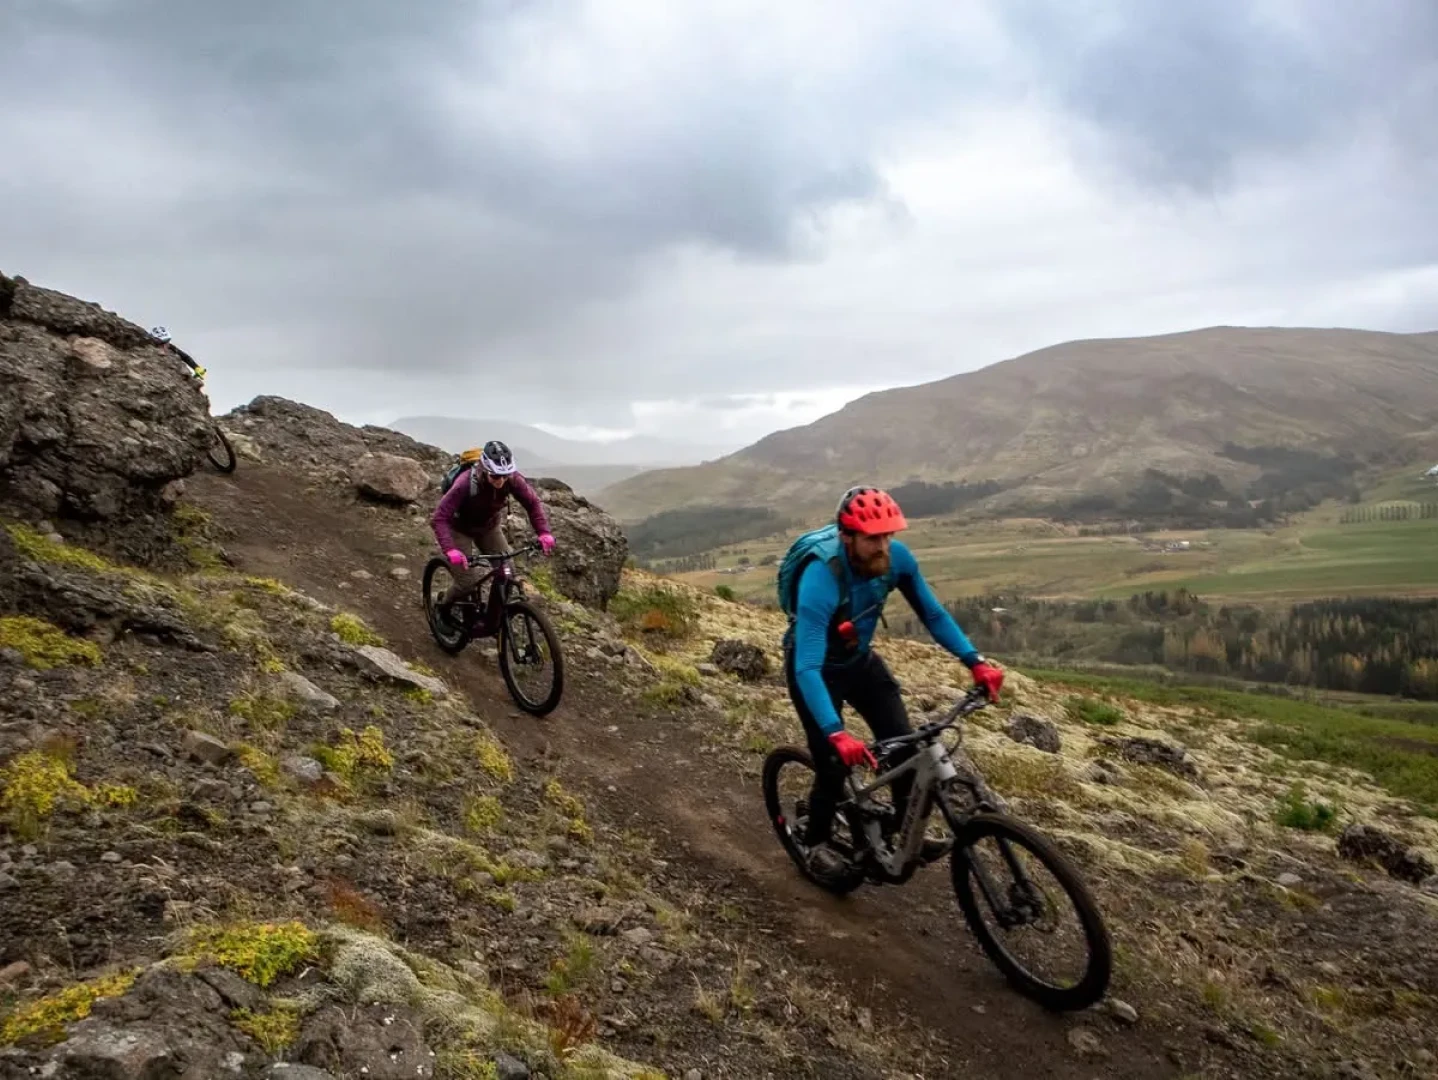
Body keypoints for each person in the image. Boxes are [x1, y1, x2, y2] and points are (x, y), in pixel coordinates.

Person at [781, 485, 1004, 880]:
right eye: (873, 538)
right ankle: (814, 842)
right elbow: (807, 666)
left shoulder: (896, 559)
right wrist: (836, 733)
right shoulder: (821, 576)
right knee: (832, 765)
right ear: (846, 537)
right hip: (816, 670)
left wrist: (976, 662)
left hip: (860, 663)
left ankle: (903, 832)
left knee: (904, 747)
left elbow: (933, 615)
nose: (883, 546)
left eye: (889, 535)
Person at [430, 440, 556, 616]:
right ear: (485, 470)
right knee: (467, 583)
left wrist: (543, 532)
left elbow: (532, 503)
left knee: (508, 572)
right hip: (458, 528)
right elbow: (439, 517)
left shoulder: (511, 479)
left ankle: (493, 617)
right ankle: (442, 608)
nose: (501, 481)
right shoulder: (465, 483)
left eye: (505, 476)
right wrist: (450, 549)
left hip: (488, 527)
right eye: (495, 476)